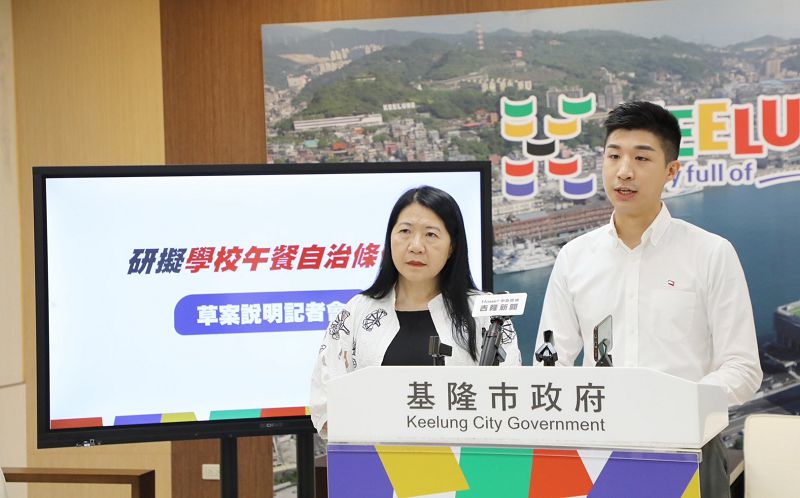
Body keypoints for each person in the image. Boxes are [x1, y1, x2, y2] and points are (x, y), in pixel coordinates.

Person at [535, 101, 762, 497]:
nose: (624, 171)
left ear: (671, 171)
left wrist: (677, 406)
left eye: (641, 158)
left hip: (689, 448)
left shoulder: (711, 253)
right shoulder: (574, 257)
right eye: (614, 156)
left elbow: (742, 368)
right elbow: (549, 363)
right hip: (596, 451)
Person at [310, 185, 522, 437]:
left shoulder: (486, 314)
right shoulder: (357, 312)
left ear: (452, 246)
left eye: (431, 234)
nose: (416, 246)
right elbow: (325, 405)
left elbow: (510, 400)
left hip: (465, 460)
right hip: (376, 459)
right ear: (390, 238)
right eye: (405, 231)